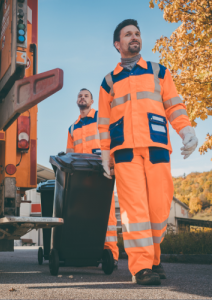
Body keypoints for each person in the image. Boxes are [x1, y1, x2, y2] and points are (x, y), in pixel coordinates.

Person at [98, 19, 198, 285]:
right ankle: (141, 268)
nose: (135, 37)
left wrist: (186, 131)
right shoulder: (108, 82)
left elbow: (174, 106)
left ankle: (154, 258)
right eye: (128, 34)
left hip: (156, 149)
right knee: (134, 211)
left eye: (137, 33)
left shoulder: (159, 72)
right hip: (125, 153)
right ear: (117, 44)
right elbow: (103, 123)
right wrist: (105, 155)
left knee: (159, 209)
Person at [66, 88, 119, 268]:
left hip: (101, 170)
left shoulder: (101, 119)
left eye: (86, 96)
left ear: (92, 101)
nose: (82, 98)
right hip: (81, 176)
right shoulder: (72, 127)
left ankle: (110, 254)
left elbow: (112, 139)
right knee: (83, 214)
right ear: (76, 101)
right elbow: (69, 154)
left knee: (107, 213)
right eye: (79, 95)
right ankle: (86, 252)